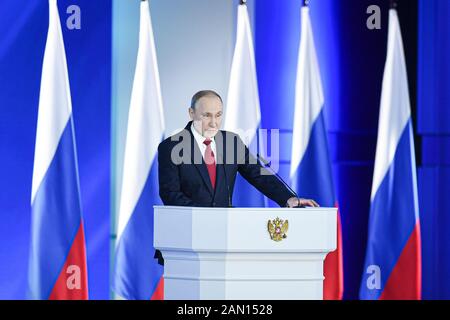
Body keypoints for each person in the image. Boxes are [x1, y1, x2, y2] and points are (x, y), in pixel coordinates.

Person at [157, 90, 319, 209]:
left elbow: (258, 175)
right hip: (184, 238)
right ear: (191, 113)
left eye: (218, 115)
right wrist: (205, 216)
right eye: (207, 115)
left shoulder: (231, 142)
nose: (214, 122)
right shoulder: (171, 147)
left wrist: (287, 198)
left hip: (225, 236)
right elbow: (170, 194)